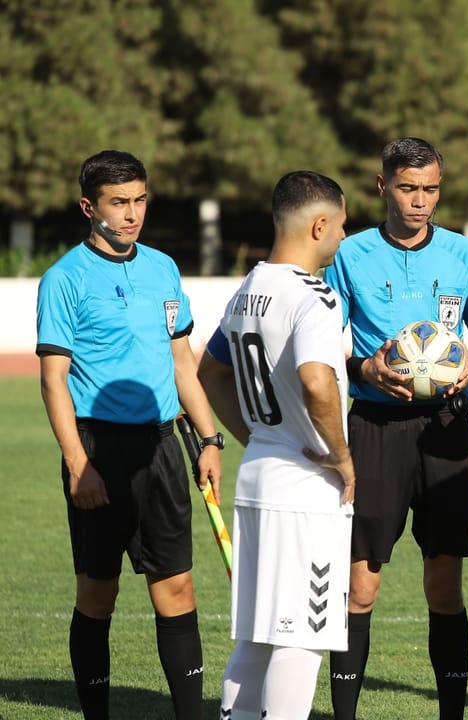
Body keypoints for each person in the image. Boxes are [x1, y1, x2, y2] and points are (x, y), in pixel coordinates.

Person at [36, 149, 223, 720]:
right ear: (89, 206)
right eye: (119, 203)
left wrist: (210, 439)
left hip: (163, 447)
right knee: (99, 595)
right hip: (99, 450)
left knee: (178, 591)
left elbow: (182, 361)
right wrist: (77, 463)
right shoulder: (63, 279)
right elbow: (52, 381)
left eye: (140, 200)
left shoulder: (164, 268)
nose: (132, 214)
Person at [322, 137, 468, 720]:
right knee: (361, 585)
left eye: (430, 189)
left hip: (446, 428)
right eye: (407, 188)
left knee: (443, 584)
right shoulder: (349, 255)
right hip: (374, 426)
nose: (420, 200)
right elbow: (324, 351)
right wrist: (365, 367)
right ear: (383, 187)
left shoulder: (464, 255)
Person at [196, 170, 356, 720]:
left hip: (260, 472)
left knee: (259, 634)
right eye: (340, 225)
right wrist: (341, 455)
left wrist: (258, 437)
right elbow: (317, 381)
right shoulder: (316, 296)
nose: (342, 236)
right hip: (305, 487)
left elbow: (210, 372)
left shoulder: (250, 286)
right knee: (302, 638)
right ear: (318, 225)